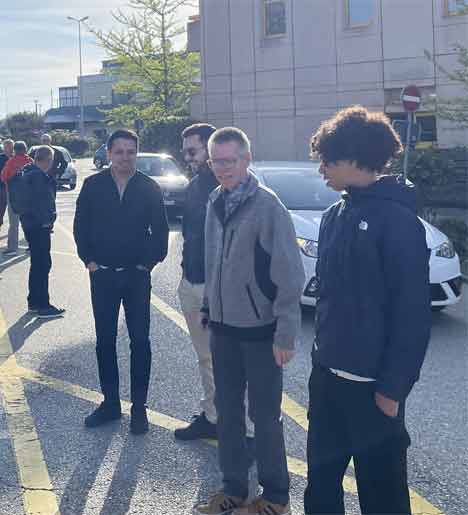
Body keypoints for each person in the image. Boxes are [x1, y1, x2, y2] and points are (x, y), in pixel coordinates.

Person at [303, 106, 431, 515]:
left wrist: (393, 389)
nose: (321, 168)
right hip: (327, 380)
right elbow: (328, 297)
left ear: (354, 157)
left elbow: (412, 314)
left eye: (328, 159)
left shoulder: (398, 221)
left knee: (383, 496)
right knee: (321, 486)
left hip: (375, 391)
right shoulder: (334, 215)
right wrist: (319, 363)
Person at [194, 127, 304, 515]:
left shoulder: (268, 206)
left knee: (265, 417)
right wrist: (208, 306)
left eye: (229, 160)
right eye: (215, 161)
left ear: (246, 159)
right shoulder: (215, 200)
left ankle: (275, 496)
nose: (221, 168)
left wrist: (285, 334)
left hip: (261, 334)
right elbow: (212, 261)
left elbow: (290, 276)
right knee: (228, 414)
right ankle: (234, 489)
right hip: (223, 330)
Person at [73, 129, 169, 435]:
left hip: (136, 277)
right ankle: (110, 403)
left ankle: (139, 408)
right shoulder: (93, 185)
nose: (125, 158)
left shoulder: (149, 187)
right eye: (119, 152)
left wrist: (146, 265)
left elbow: (161, 232)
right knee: (105, 342)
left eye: (131, 152)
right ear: (109, 153)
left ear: (136, 153)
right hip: (102, 276)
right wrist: (89, 262)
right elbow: (80, 226)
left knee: (140, 342)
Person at [174, 123, 221, 441]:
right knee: (205, 356)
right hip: (190, 281)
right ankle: (212, 415)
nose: (187, 157)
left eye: (193, 151)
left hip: (213, 288)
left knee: (224, 359)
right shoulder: (195, 185)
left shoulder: (225, 186)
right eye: (185, 151)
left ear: (210, 150)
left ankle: (239, 428)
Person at [19, 145, 64, 318]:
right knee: (43, 264)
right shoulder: (39, 177)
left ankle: (34, 301)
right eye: (52, 160)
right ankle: (43, 305)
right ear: (48, 160)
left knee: (36, 264)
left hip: (29, 224)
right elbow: (43, 203)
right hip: (39, 226)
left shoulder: (27, 172)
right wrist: (47, 221)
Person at [0, 141, 33, 255]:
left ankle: (12, 248)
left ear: (15, 150)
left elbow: (3, 177)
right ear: (25, 149)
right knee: (28, 222)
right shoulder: (30, 161)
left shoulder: (11, 161)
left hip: (13, 195)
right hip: (28, 196)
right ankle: (31, 245)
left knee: (14, 223)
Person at [0, 139, 15, 233]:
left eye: (10, 146)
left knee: (14, 209)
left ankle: (13, 226)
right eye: (6, 146)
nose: (8, 148)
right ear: (3, 147)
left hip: (13, 188)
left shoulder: (15, 157)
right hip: (0, 187)